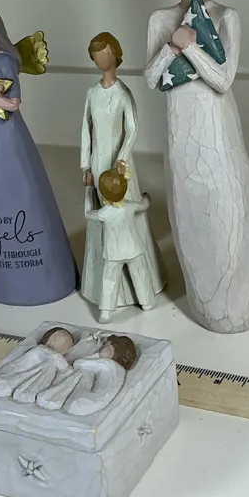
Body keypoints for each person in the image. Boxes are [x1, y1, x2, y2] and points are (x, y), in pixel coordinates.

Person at [144, 0, 249, 334]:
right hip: (180, 131)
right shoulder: (160, 20)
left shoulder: (224, 17)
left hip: (217, 131)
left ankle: (246, 295)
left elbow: (222, 79)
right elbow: (151, 78)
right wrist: (171, 47)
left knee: (228, 205)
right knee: (190, 211)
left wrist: (190, 47)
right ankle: (206, 299)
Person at [0, 5, 78, 305]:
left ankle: (43, 272)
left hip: (10, 135)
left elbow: (13, 105)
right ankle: (2, 278)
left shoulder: (6, 61)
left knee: (24, 185)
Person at [80, 32, 164, 307]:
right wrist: (85, 165)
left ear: (115, 55)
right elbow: (86, 130)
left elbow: (133, 128)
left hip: (120, 164)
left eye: (105, 55)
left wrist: (122, 157)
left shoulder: (122, 93)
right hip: (98, 161)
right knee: (104, 217)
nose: (101, 61)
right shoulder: (92, 94)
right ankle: (103, 287)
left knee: (127, 212)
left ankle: (142, 282)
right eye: (97, 56)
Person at [85, 171, 156, 322]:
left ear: (103, 194)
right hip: (133, 249)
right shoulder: (129, 207)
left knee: (109, 280)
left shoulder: (104, 213)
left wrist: (89, 191)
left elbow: (88, 214)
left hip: (113, 253)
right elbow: (144, 204)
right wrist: (146, 196)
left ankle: (106, 312)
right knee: (140, 275)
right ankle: (147, 302)